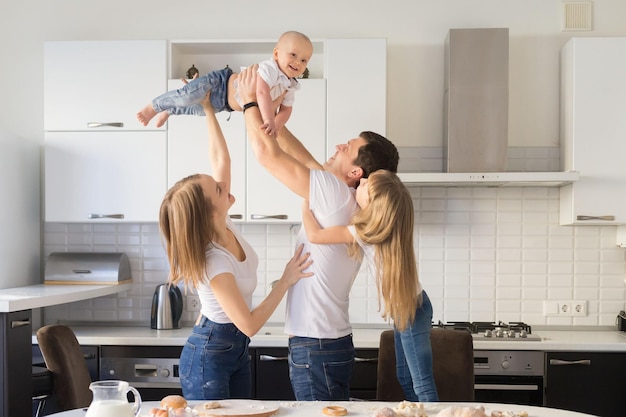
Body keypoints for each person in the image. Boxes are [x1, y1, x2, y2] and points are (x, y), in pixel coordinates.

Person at [237, 65, 400, 400]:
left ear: (356, 171)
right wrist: (274, 116)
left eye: (348, 146)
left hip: (315, 345)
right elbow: (300, 156)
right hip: (330, 343)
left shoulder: (332, 193)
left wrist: (249, 103)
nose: (339, 145)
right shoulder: (347, 201)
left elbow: (267, 156)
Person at [158, 91, 313, 400]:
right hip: (208, 357)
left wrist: (208, 109)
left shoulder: (223, 222)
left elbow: (221, 158)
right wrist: (285, 280)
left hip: (234, 351)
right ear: (208, 211)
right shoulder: (214, 261)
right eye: (218, 189)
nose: (225, 185)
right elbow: (250, 324)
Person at [301, 169, 439, 402]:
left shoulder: (366, 233)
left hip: (411, 310)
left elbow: (314, 235)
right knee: (406, 378)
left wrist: (306, 199)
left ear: (374, 205)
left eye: (365, 185)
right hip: (411, 308)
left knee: (421, 383)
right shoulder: (389, 229)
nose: (360, 181)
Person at [137, 30, 313, 134]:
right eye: (293, 55)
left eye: (304, 60)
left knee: (198, 110)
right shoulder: (270, 68)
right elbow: (261, 93)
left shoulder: (291, 85)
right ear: (276, 54)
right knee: (186, 97)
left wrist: (276, 126)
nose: (298, 62)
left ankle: (170, 110)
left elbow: (287, 109)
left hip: (224, 104)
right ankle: (154, 107)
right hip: (220, 83)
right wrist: (269, 119)